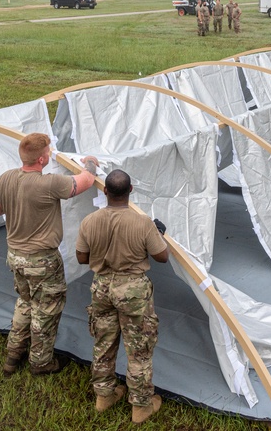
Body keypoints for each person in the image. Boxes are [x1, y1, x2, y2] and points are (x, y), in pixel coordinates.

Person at [0, 134, 99, 377]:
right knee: (45, 310)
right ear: (41, 159)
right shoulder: (50, 183)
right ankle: (41, 362)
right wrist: (90, 162)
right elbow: (86, 181)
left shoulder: (5, 178)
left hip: (15, 256)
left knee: (25, 302)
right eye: (48, 152)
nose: (50, 154)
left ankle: (13, 354)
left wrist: (17, 203)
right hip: (42, 260)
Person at [76, 170, 169, 424]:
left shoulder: (89, 221)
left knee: (103, 343)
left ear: (105, 191)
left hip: (102, 288)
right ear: (131, 190)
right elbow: (162, 257)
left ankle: (104, 395)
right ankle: (141, 406)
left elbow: (82, 258)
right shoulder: (142, 223)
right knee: (139, 348)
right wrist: (158, 234)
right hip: (133, 291)